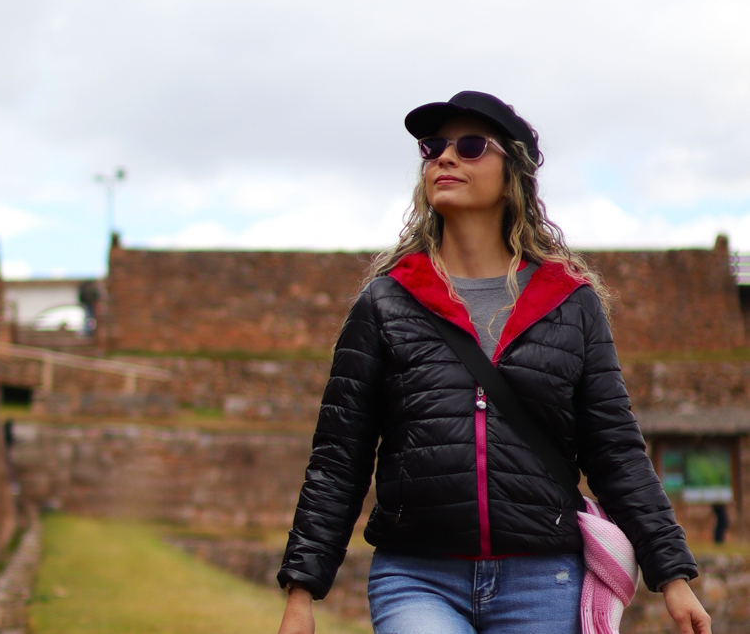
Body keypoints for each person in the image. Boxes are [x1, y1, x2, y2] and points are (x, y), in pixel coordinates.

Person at [275, 92, 711, 634]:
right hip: (418, 578)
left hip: (545, 579)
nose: (444, 157)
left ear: (512, 176)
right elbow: (340, 457)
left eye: (470, 146)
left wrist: (672, 574)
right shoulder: (386, 303)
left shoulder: (570, 303)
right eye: (433, 146)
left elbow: (614, 451)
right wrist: (302, 592)